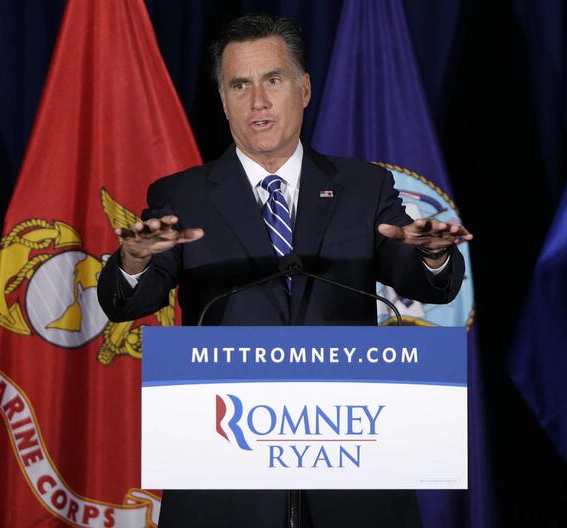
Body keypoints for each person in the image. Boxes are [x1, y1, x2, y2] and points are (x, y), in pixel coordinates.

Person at [97, 13, 472, 528]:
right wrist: (134, 262)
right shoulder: (180, 196)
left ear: (304, 89)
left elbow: (417, 278)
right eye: (240, 85)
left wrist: (432, 255)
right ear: (224, 100)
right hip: (228, 470)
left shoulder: (364, 186)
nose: (258, 102)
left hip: (351, 465)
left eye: (273, 80)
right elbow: (128, 302)